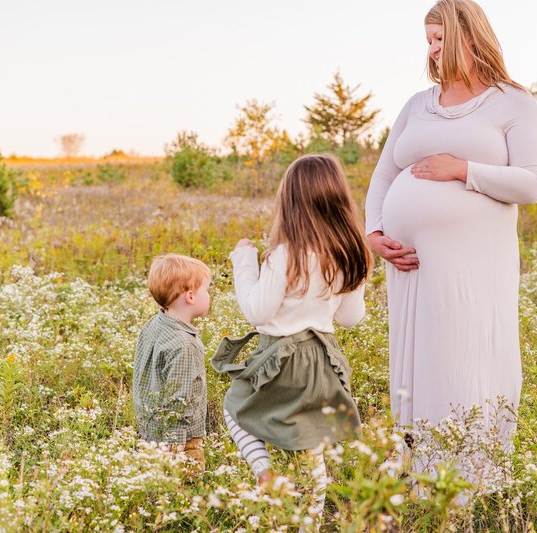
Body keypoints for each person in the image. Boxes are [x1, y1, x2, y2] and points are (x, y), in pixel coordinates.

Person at [364, 0, 537, 483]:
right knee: (415, 357)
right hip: (409, 263)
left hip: (472, 261)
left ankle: (471, 474)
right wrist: (375, 232)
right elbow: (384, 174)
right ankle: (415, 469)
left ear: (470, 37)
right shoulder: (416, 105)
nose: (432, 49)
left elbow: (532, 183)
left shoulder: (512, 101)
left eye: (439, 38)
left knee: (463, 354)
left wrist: (463, 170)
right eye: (427, 40)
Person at [212, 153, 372, 520]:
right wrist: (355, 281)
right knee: (310, 435)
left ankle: (264, 472)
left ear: (290, 202)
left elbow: (257, 311)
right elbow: (350, 318)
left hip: (281, 358)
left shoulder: (286, 255)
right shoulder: (351, 254)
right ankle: (312, 520)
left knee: (235, 409)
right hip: (323, 361)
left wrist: (243, 262)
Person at [133, 254, 211, 474]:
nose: (209, 295)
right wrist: (174, 441)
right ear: (190, 297)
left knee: (155, 489)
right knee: (183, 494)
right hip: (181, 440)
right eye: (206, 290)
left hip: (150, 430)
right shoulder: (184, 344)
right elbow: (180, 397)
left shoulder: (154, 325)